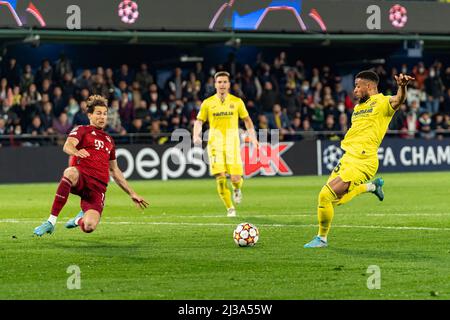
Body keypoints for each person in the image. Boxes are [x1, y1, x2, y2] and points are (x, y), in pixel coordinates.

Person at [304, 71, 414, 248]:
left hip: (364, 161)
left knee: (325, 195)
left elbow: (398, 100)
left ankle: (321, 239)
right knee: (334, 200)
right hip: (348, 158)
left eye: (357, 86)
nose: (354, 90)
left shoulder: (382, 102)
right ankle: (372, 186)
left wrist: (402, 86)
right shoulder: (358, 108)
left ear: (369, 86)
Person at [33, 95, 149, 237]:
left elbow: (114, 170)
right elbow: (67, 146)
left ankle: (78, 220)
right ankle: (51, 222)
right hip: (82, 178)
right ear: (90, 115)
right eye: (98, 113)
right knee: (70, 172)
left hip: (97, 189)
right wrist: (76, 151)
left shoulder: (109, 140)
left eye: (105, 114)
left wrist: (132, 193)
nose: (102, 117)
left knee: (89, 226)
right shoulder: (82, 130)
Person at [193, 71, 258, 217]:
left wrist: (253, 138)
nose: (222, 84)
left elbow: (247, 121)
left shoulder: (237, 102)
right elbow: (199, 121)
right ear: (215, 84)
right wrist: (195, 134)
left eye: (224, 82)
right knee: (221, 178)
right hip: (215, 145)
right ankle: (230, 208)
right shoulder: (208, 103)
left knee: (235, 179)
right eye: (219, 82)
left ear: (228, 84)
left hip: (233, 145)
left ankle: (236, 189)